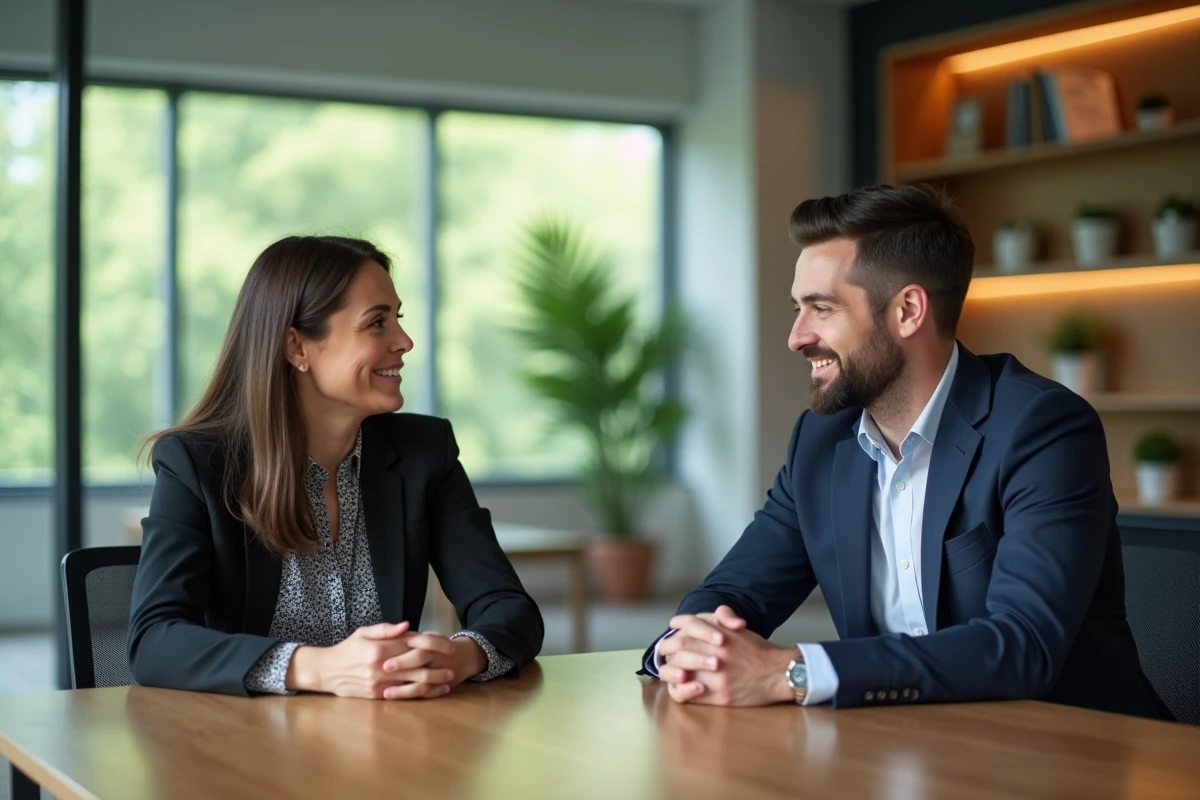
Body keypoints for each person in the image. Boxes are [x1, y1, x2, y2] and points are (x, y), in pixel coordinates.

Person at [640, 184, 1169, 720]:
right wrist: (688, 651)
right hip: (906, 747)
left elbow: (1023, 644)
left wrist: (788, 671)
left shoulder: (1042, 429)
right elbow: (735, 592)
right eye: (799, 309)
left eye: (821, 308)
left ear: (908, 310)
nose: (797, 336)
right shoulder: (820, 442)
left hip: (1071, 752)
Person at [129, 235, 542, 698]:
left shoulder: (425, 452)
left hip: (382, 740)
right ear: (297, 347)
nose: (404, 342)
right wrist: (318, 668)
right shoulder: (199, 463)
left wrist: (458, 656)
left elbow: (509, 608)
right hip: (245, 744)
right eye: (377, 323)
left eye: (397, 319)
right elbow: (154, 640)